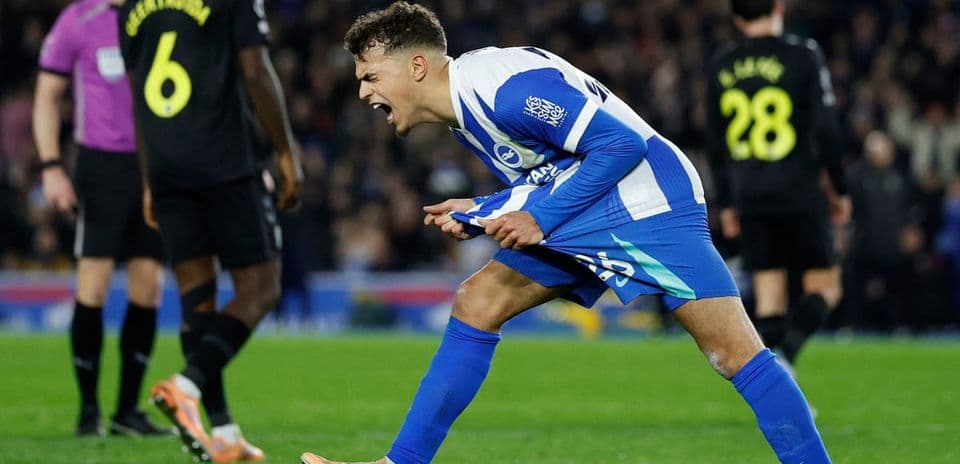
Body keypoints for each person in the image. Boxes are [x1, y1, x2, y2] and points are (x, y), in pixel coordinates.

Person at [302, 2, 830, 463]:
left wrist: (537, 217)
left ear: (417, 67)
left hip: (647, 204)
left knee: (735, 355)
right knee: (477, 301)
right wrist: (486, 208)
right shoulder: (463, 107)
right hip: (590, 206)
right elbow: (554, 170)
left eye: (371, 76)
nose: (362, 91)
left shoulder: (503, 92)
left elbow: (620, 145)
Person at [116, 0, 303, 460]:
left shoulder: (131, 8)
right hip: (224, 162)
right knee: (261, 287)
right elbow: (255, 70)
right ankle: (186, 385)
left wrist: (148, 179)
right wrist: (285, 151)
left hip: (166, 166)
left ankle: (222, 432)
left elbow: (138, 94)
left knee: (197, 300)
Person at [33, 0, 168, 437]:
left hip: (153, 165)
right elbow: (47, 95)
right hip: (101, 165)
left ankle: (127, 411)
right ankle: (88, 410)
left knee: (148, 287)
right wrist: (51, 167)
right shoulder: (79, 19)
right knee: (93, 282)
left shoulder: (157, 12)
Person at [705, 0, 850, 367]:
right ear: (779, 7)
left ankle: (775, 380)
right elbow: (826, 129)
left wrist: (727, 203)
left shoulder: (722, 63)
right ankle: (786, 353)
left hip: (749, 193)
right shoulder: (803, 56)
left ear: (737, 17)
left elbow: (716, 144)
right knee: (826, 287)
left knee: (770, 298)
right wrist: (839, 188)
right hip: (798, 188)